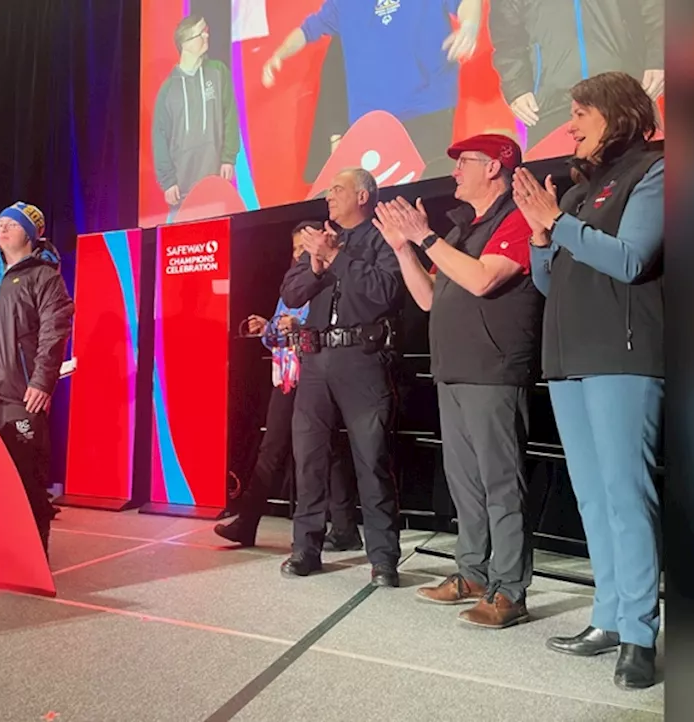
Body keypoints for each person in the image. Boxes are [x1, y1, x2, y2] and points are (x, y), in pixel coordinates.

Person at [513, 71, 664, 689]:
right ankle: (607, 617)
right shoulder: (578, 190)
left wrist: (563, 225)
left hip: (622, 354)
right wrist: (542, 236)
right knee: (593, 498)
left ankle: (639, 634)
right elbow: (551, 281)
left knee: (627, 497)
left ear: (619, 114)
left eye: (581, 113)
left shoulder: (655, 171)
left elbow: (631, 260)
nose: (570, 124)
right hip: (568, 355)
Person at [375, 134, 542, 629]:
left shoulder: (514, 218)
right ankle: (471, 573)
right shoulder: (461, 229)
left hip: (493, 372)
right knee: (466, 485)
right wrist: (405, 249)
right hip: (453, 371)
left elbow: (482, 280)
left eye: (464, 163)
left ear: (495, 168)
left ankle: (510, 589)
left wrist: (426, 239)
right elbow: (427, 298)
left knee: (500, 484)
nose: (455, 172)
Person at [278, 168, 403, 585]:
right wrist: (315, 263)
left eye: (338, 189)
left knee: (372, 458)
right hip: (315, 361)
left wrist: (337, 259)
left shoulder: (381, 236)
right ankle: (306, 549)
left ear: (363, 196)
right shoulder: (318, 239)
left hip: (361, 358)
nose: (328, 195)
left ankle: (383, 557)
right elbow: (292, 294)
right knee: (309, 458)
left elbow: (385, 291)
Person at [214, 221, 361, 550]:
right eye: (294, 249)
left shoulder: (330, 279)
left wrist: (301, 325)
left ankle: (341, 526)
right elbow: (273, 339)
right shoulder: (293, 283)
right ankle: (340, 527)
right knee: (279, 448)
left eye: (303, 247)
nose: (298, 254)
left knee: (326, 450)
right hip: (289, 376)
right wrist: (268, 327)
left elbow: (335, 324)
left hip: (319, 371)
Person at [0, 202, 74, 556]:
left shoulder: (45, 278)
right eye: (0, 223)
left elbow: (55, 333)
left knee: (26, 479)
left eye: (11, 225)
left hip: (20, 397)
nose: (2, 230)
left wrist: (41, 382)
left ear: (31, 234)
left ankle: (32, 553)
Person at [261, 0, 482, 178]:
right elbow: (307, 30)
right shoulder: (343, 4)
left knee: (426, 188)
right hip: (372, 119)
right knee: (381, 201)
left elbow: (466, 2)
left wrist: (470, 25)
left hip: (427, 104)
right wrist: (280, 53)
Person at [490, 0, 664, 151]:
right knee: (557, 180)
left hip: (623, 95)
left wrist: (659, 59)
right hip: (552, 102)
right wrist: (517, 86)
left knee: (640, 176)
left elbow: (657, 10)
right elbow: (506, 35)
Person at [151, 14, 240, 216]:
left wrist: (228, 158)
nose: (207, 36)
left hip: (217, 181)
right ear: (186, 44)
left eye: (206, 31)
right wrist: (168, 182)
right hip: (181, 191)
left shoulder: (218, 72)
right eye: (201, 34)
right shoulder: (167, 90)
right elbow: (160, 138)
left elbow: (230, 116)